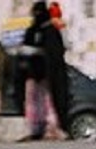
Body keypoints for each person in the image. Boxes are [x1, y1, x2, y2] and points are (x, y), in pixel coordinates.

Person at [21, 1, 69, 140]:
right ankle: (38, 127)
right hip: (39, 75)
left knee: (45, 102)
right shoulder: (41, 30)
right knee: (38, 101)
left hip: (45, 75)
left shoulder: (47, 30)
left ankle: (48, 127)